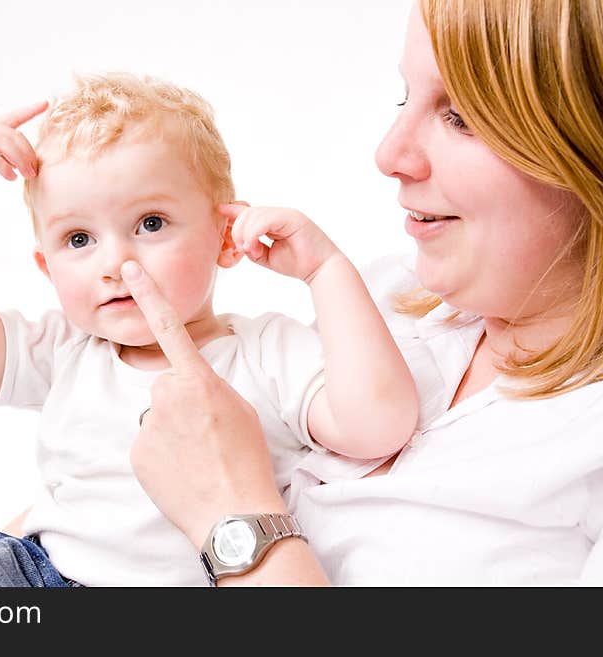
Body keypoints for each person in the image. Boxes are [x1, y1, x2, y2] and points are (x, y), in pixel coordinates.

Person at [0, 73, 419, 587]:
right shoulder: (66, 351)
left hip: (209, 579)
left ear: (225, 238)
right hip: (47, 573)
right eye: (79, 239)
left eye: (150, 224)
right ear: (47, 268)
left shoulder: (263, 350)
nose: (114, 260)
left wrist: (326, 271)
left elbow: (377, 425)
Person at [124, 0, 603, 585]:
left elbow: (220, 490)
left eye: (462, 117)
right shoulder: (389, 299)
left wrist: (232, 518)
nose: (390, 155)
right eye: (406, 98)